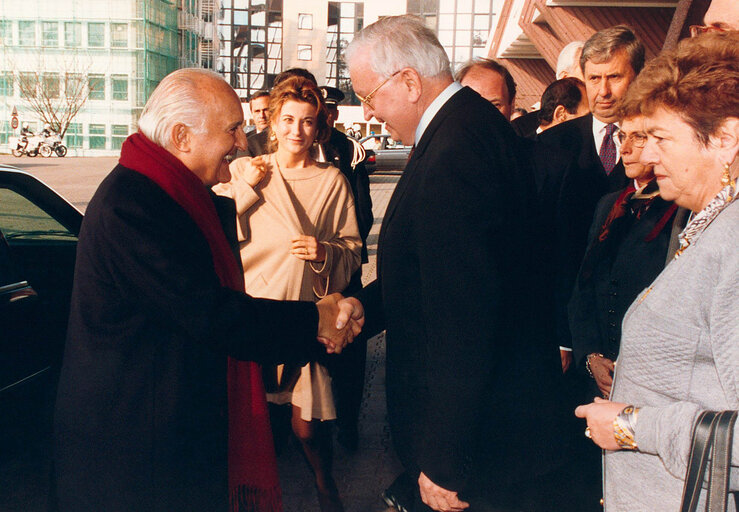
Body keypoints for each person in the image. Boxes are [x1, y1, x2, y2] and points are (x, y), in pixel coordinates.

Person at [53, 68, 362, 512]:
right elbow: (210, 313)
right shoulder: (134, 205)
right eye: (232, 129)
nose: (241, 142)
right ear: (181, 136)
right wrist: (315, 319)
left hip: (161, 434)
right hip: (135, 451)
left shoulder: (172, 191)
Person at [340, 15, 573, 512]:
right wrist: (366, 306)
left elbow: (464, 315)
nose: (369, 111)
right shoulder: (466, 127)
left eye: (369, 95)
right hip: (498, 421)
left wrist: (446, 456)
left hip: (482, 440)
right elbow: (438, 267)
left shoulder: (456, 150)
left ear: (408, 81)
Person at [575, 31, 739, 511]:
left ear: (725, 139)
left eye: (661, 138)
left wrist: (630, 425)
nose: (645, 156)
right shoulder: (712, 222)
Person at [215, 75, 361, 512]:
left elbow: (352, 250)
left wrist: (324, 253)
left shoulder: (332, 181)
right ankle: (250, 496)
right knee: (249, 421)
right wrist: (246, 189)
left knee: (307, 427)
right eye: (288, 119)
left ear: (320, 128)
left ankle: (324, 484)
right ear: (273, 123)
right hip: (254, 313)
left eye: (309, 122)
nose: (297, 130)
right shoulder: (247, 170)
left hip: (304, 316)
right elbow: (215, 229)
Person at [568, 109, 680, 401]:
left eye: (638, 137)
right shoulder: (611, 205)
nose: (625, 148)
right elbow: (583, 287)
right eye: (622, 136)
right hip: (601, 374)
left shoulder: (681, 209)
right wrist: (591, 356)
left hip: (653, 379)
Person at [318, 84, 374, 452]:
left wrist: (339, 249)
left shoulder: (348, 151)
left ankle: (348, 423)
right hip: (302, 272)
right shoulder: (273, 147)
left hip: (343, 266)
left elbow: (363, 214)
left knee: (350, 353)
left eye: (327, 113)